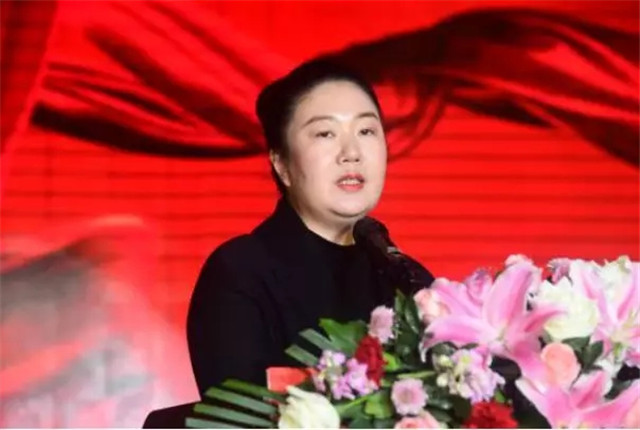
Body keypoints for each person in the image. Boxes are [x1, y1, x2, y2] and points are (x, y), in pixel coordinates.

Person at [186, 58, 434, 398]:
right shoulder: (239, 274)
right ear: (282, 164)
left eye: (366, 131)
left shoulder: (407, 279)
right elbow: (237, 412)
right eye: (325, 133)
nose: (351, 153)